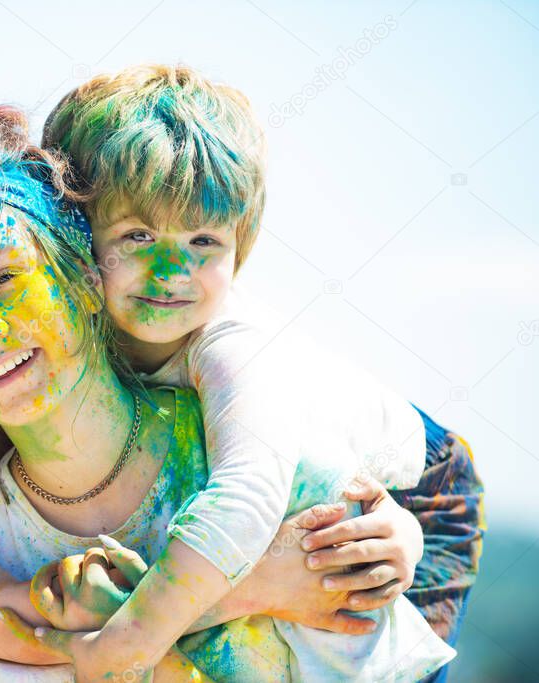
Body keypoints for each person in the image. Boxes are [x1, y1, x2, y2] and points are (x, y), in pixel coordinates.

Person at [0, 101, 451, 680]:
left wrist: (408, 534)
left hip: (422, 465)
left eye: (7, 279)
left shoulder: (245, 394)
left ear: (85, 277)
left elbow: (259, 500)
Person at [38, 64, 485, 681]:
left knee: (358, 635)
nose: (171, 271)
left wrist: (128, 637)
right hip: (277, 487)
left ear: (240, 243)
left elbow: (246, 498)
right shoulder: (53, 330)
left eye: (203, 241)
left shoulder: (233, 345)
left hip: (414, 482)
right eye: (138, 235)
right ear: (74, 231)